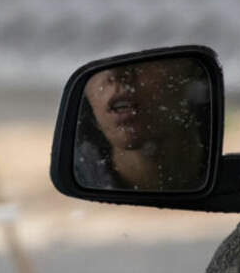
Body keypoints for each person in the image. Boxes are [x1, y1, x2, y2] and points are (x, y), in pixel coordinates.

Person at [76, 58, 210, 192]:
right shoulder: (76, 177)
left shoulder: (79, 180)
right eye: (95, 58)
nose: (115, 73)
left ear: (194, 72)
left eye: (149, 54)